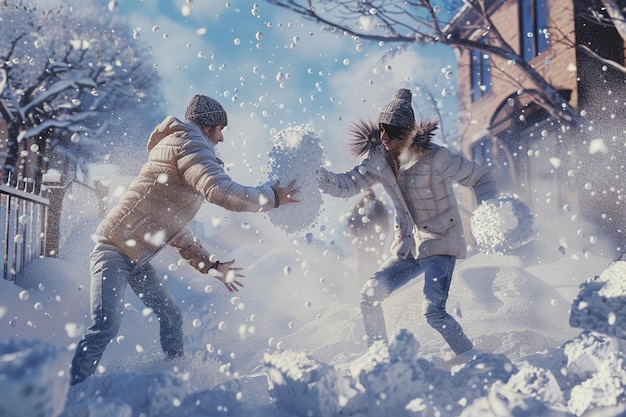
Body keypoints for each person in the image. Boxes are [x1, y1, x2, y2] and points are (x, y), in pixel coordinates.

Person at [70, 94, 300, 385]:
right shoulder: (190, 144)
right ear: (206, 128)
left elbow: (177, 231)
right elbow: (221, 191)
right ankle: (73, 392)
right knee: (105, 325)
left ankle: (173, 378)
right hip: (114, 249)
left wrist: (211, 266)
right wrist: (271, 197)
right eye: (220, 130)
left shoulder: (181, 148)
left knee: (171, 316)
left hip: (133, 255)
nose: (222, 138)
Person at [318, 88, 498, 357]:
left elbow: (481, 177)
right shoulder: (379, 162)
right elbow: (347, 184)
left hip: (440, 243)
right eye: (380, 130)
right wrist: (316, 177)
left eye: (388, 132)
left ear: (404, 133)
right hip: (408, 248)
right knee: (369, 297)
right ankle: (380, 358)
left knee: (433, 312)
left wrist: (490, 213)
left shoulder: (438, 158)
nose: (382, 138)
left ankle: (469, 357)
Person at [346, 187, 390, 276]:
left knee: (376, 258)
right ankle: (361, 278)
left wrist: (384, 232)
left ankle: (377, 276)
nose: (369, 197)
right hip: (362, 236)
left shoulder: (379, 205)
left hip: (376, 237)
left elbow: (384, 220)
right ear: (364, 196)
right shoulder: (359, 206)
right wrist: (353, 231)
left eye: (371, 195)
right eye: (367, 195)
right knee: (363, 259)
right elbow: (352, 220)